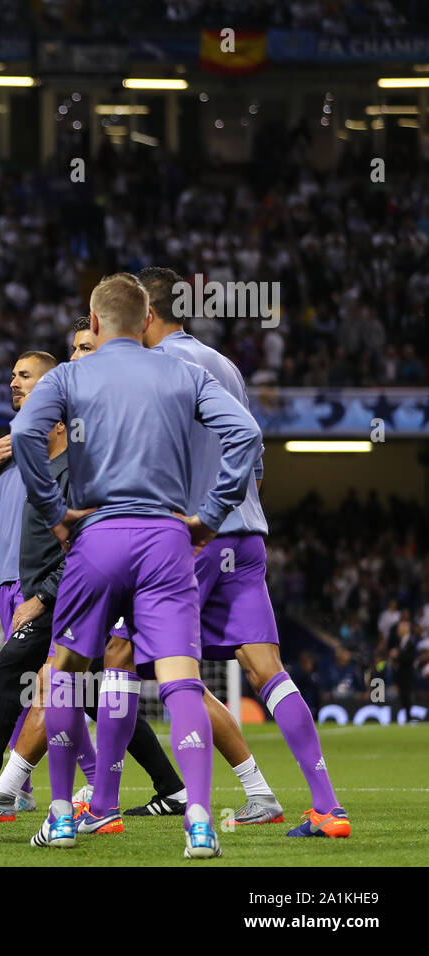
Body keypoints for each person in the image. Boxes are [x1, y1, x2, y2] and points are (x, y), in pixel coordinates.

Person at [12, 272, 261, 858]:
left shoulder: (73, 373)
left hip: (95, 537)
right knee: (180, 681)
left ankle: (61, 816)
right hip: (168, 537)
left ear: (94, 324)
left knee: (69, 672)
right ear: (146, 317)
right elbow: (245, 434)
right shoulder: (183, 372)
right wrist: (211, 514)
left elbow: (26, 433)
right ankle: (199, 821)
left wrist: (56, 513)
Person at [0, 318, 187, 826]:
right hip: (27, 584)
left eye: (27, 377)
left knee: (10, 676)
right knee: (90, 689)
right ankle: (170, 789)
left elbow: (84, 541)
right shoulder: (17, 458)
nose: (16, 385)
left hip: (68, 590)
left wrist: (46, 595)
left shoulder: (82, 459)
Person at [133, 266, 347, 838]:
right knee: (266, 671)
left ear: (146, 315)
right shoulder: (223, 363)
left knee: (124, 658)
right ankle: (325, 806)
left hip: (193, 535)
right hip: (248, 535)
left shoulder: (156, 367)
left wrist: (196, 517)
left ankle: (98, 799)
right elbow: (251, 452)